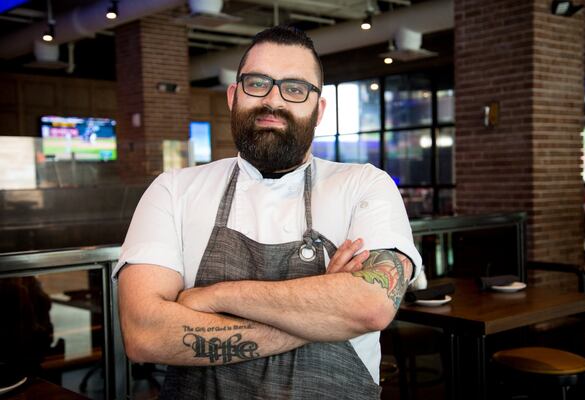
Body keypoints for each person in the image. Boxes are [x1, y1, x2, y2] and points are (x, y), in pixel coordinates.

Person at [114, 25, 422, 400]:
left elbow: (370, 306)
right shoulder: (173, 189)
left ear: (319, 108)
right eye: (257, 83)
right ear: (233, 95)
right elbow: (145, 335)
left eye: (295, 88)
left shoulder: (364, 185)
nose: (273, 101)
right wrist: (323, 312)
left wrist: (212, 297)